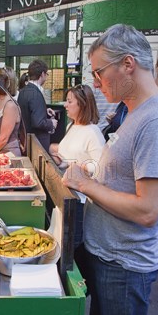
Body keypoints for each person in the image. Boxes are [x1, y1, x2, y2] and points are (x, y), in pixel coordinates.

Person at [61, 24, 158, 315]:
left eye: (99, 72)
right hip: (107, 253)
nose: (97, 83)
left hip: (126, 259)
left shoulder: (154, 119)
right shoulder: (131, 113)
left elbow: (147, 210)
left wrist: (86, 182)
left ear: (128, 64)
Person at [49, 84, 105, 248]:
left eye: (69, 101)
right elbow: (70, 155)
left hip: (80, 202)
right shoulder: (71, 126)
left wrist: (74, 164)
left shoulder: (93, 132)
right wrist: (59, 157)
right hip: (65, 194)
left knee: (73, 248)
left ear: (82, 104)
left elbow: (99, 168)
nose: (65, 105)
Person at [17, 59, 57, 152]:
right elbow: (38, 122)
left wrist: (44, 111)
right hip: (37, 144)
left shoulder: (23, 91)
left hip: (26, 141)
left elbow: (27, 112)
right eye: (46, 74)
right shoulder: (36, 93)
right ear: (42, 74)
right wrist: (51, 123)